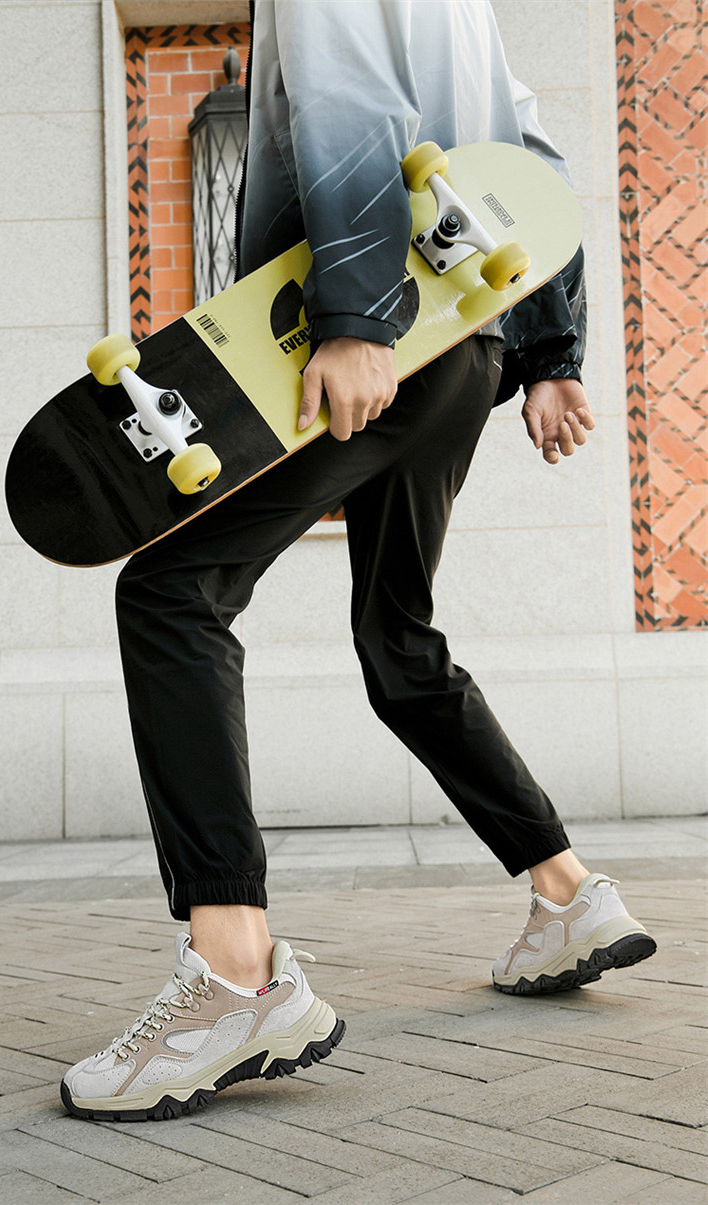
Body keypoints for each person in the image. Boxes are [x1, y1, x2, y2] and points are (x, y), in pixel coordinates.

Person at [60, 0, 656, 1121]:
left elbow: (349, 107)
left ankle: (234, 977)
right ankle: (568, 894)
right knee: (398, 636)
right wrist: (548, 353)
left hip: (390, 341)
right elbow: (530, 163)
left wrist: (353, 318)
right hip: (469, 345)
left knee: (173, 590)